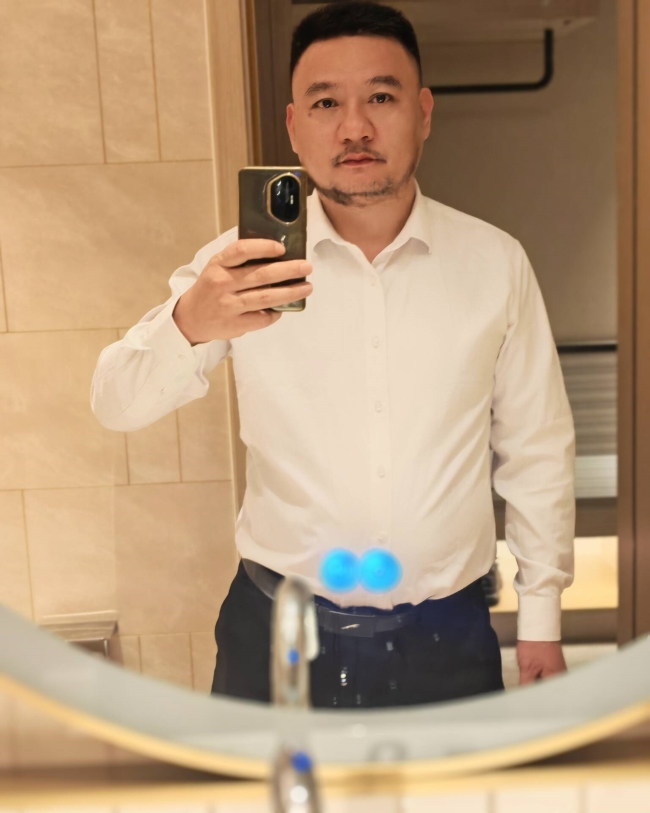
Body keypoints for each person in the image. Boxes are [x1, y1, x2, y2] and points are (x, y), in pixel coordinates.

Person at [91, 1, 576, 708]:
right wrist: (190, 320)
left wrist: (541, 619)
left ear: (423, 112)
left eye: (381, 96)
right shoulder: (242, 264)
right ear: (294, 125)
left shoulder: (494, 264)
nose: (354, 128)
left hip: (448, 640)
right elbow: (114, 402)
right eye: (326, 103)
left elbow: (536, 447)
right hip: (275, 640)